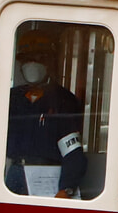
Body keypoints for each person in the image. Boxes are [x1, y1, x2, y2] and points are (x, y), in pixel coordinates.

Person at [5, 31, 87, 198]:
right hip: (14, 176)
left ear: (50, 62)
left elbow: (73, 152)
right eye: (27, 59)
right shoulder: (10, 99)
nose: (32, 64)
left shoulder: (64, 100)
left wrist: (67, 188)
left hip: (49, 179)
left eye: (39, 58)